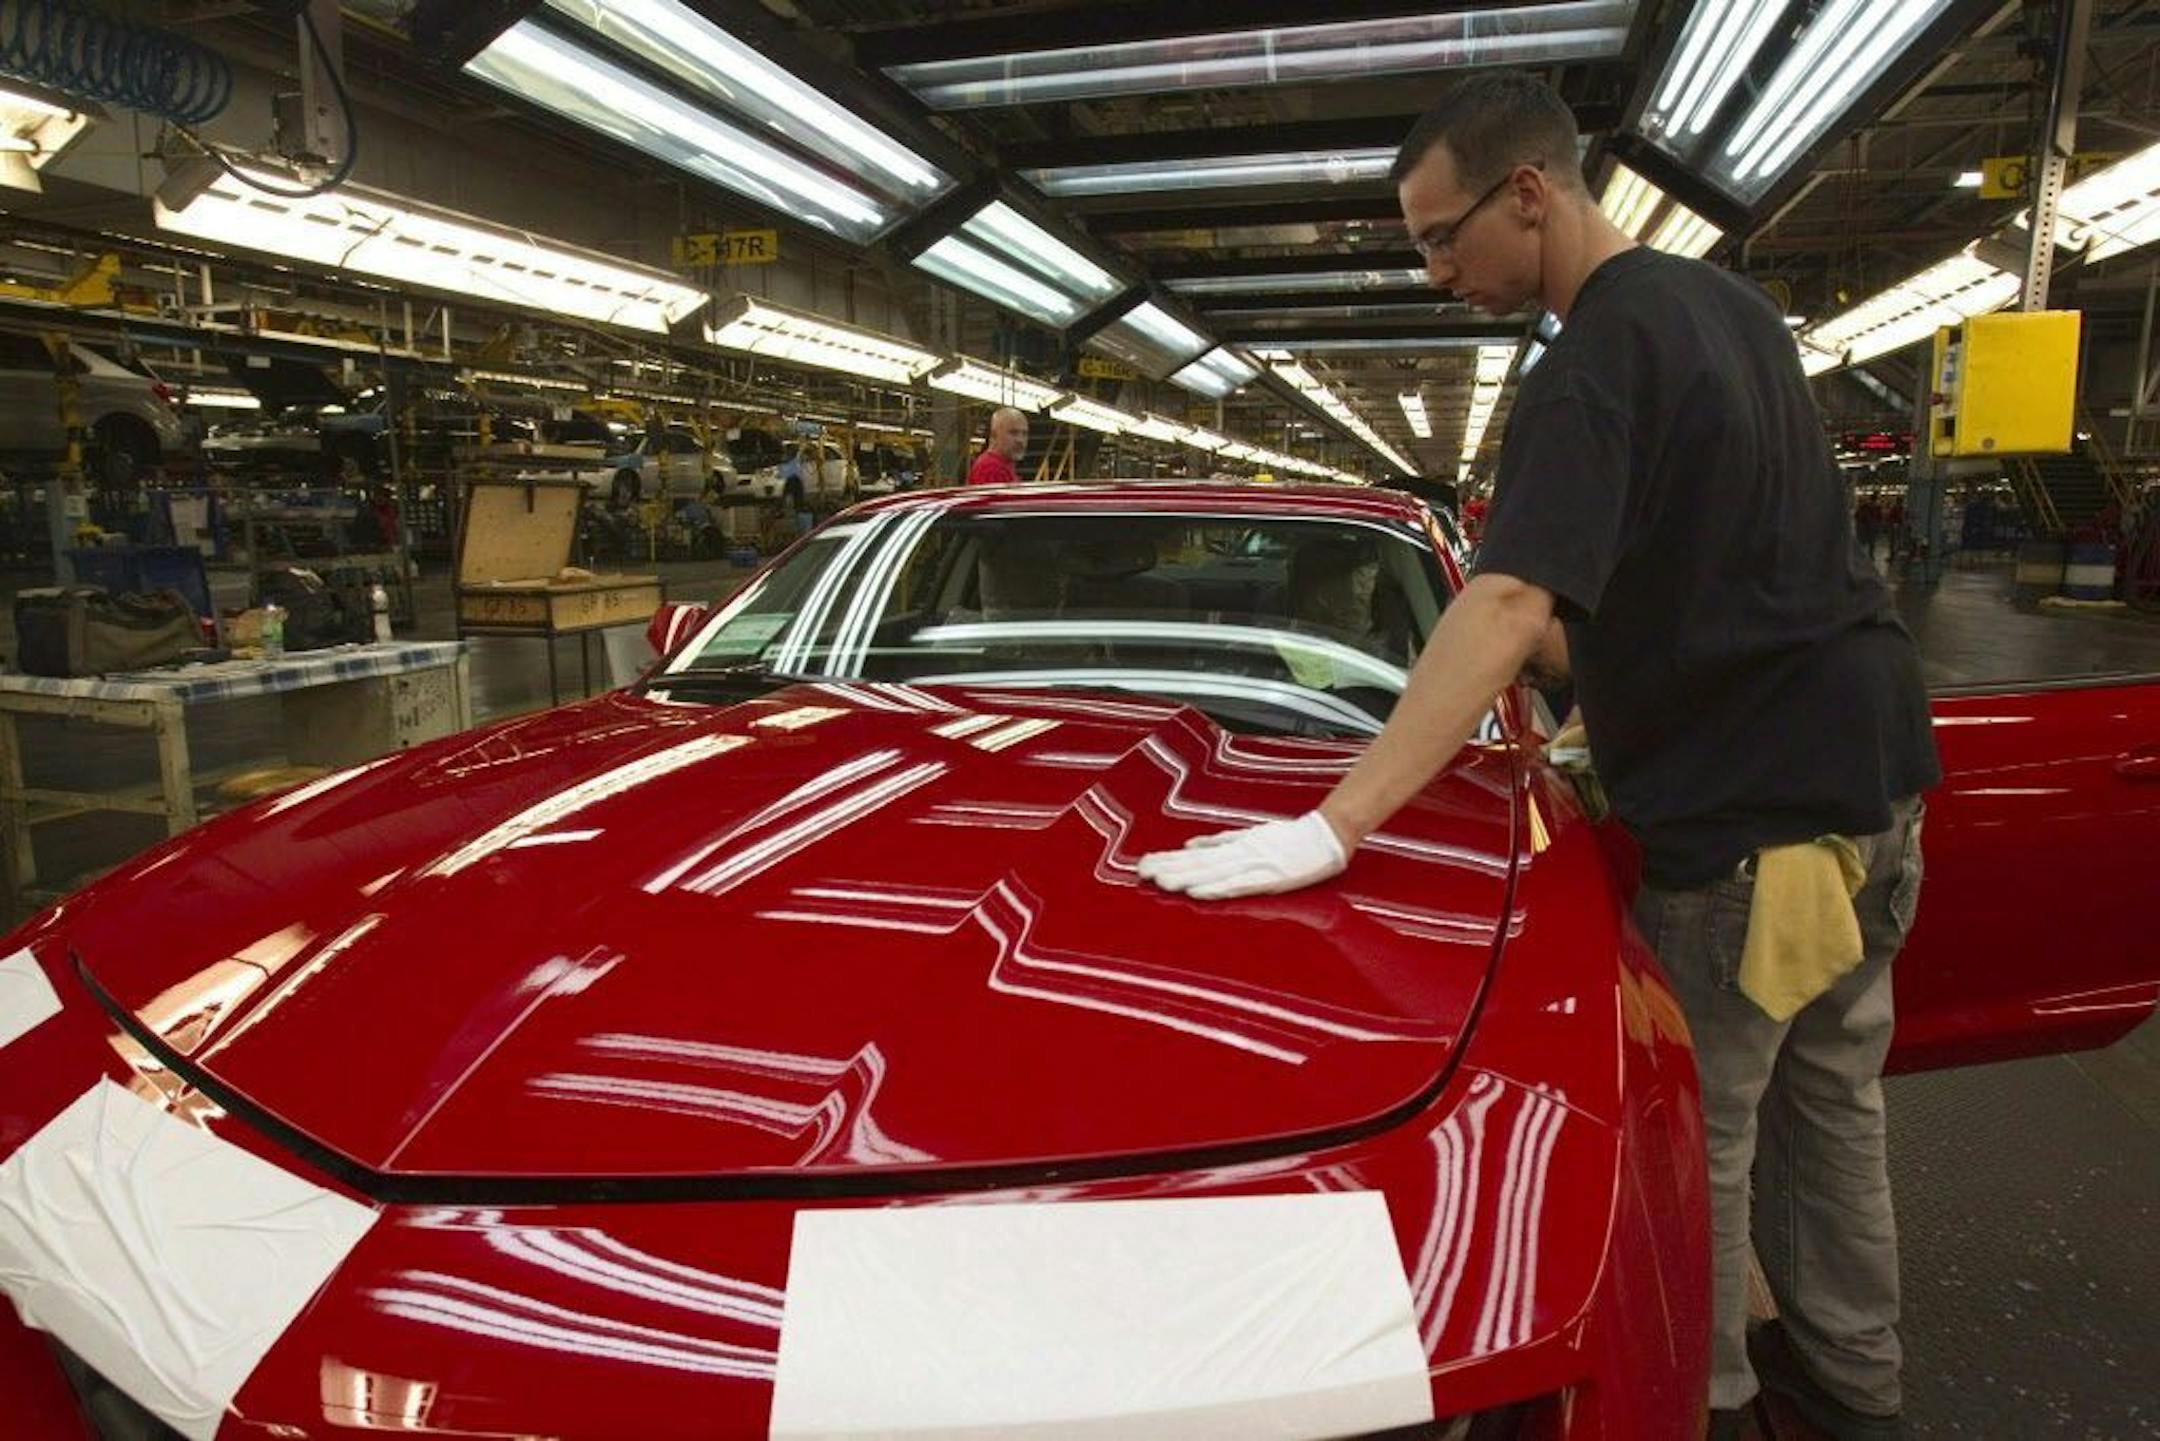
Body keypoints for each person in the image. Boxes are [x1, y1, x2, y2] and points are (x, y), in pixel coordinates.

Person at [1137, 72, 1939, 1441]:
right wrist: (1591, 693)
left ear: (1530, 192)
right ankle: (1862, 1398)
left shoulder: (1590, 365)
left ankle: (1710, 1403)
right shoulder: (1731, 311)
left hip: (1750, 829)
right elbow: (1700, 577)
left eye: (1443, 238)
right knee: (1835, 1114)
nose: (1436, 272)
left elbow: (1505, 606)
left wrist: (1334, 825)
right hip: (1878, 789)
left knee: (1707, 1147)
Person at [965, 407, 1028, 486]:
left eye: (1024, 433)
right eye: (1013, 433)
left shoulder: (1003, 465)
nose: (1020, 440)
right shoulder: (990, 469)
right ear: (994, 436)